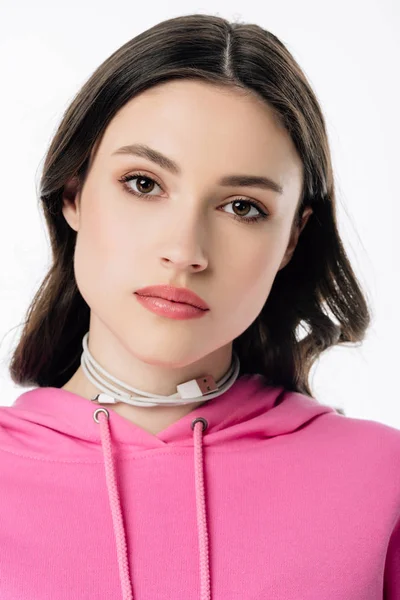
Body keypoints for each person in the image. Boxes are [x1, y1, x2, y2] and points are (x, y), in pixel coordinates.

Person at [0, 13, 398, 600]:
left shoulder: (383, 481)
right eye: (143, 183)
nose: (185, 252)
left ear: (291, 239)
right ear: (73, 192)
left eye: (242, 207)